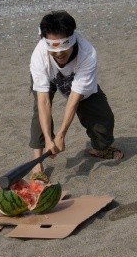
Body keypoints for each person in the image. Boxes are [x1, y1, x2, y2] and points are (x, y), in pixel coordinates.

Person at [29, 10, 123, 176]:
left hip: (77, 80)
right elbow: (44, 102)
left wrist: (61, 134)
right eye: (53, 50)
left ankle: (100, 149)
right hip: (49, 76)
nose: (59, 54)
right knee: (39, 112)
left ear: (72, 39)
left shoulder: (87, 54)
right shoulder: (39, 56)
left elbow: (74, 99)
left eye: (64, 48)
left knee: (104, 119)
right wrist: (49, 139)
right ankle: (37, 165)